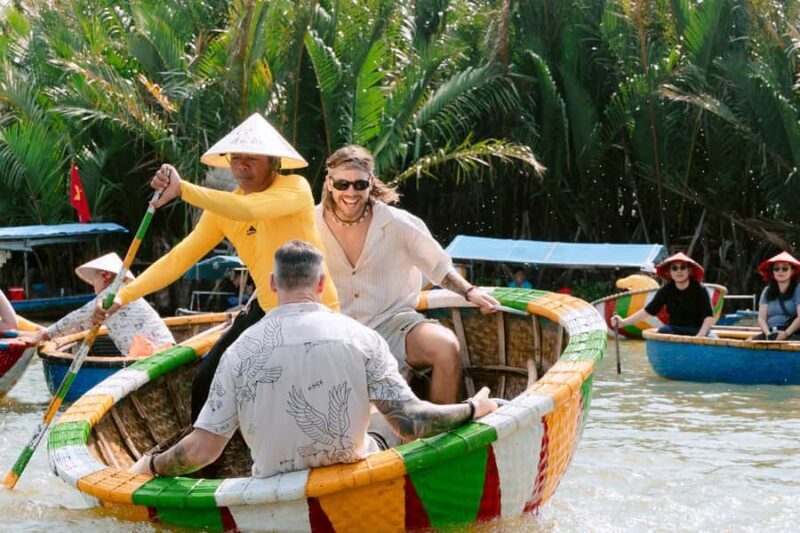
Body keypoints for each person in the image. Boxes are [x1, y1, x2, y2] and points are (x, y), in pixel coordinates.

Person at [128, 241, 497, 479]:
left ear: (272, 284)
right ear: (322, 284)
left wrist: (152, 465)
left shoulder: (239, 350)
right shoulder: (361, 338)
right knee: (384, 427)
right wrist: (471, 408)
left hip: (274, 486)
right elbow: (412, 423)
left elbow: (201, 452)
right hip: (352, 479)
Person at [93, 114, 339, 420]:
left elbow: (248, 208)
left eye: (252, 158)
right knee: (206, 379)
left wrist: (183, 189)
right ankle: (201, 459)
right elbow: (179, 258)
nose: (241, 165)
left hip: (315, 309)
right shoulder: (222, 209)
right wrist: (123, 295)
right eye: (236, 158)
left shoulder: (295, 187)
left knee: (299, 390)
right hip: (266, 307)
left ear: (273, 162)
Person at [314, 145, 498, 404]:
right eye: (343, 184)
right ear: (329, 184)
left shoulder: (397, 222)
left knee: (446, 348)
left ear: (370, 182)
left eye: (359, 184)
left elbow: (439, 266)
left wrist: (469, 291)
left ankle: (439, 434)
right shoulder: (310, 224)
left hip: (392, 322)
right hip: (336, 332)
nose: (351, 193)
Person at [27, 253, 174, 355]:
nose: (93, 284)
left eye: (95, 278)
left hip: (155, 350)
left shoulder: (113, 294)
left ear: (105, 276)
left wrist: (46, 334)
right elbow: (85, 324)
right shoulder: (123, 293)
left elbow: (78, 316)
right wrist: (50, 332)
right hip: (155, 349)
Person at [611, 252, 715, 337]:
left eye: (683, 267)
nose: (679, 271)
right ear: (670, 272)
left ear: (689, 270)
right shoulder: (666, 290)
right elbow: (648, 311)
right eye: (674, 268)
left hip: (697, 329)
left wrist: (700, 336)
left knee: (712, 337)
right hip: (674, 329)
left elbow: (709, 317)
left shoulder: (700, 289)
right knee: (663, 330)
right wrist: (623, 322)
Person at [749, 251, 800, 341]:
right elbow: (761, 318)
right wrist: (768, 334)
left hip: (792, 333)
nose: (780, 271)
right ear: (772, 272)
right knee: (748, 344)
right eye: (776, 268)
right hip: (770, 333)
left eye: (784, 268)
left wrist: (786, 334)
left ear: (792, 271)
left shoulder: (798, 289)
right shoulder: (767, 291)